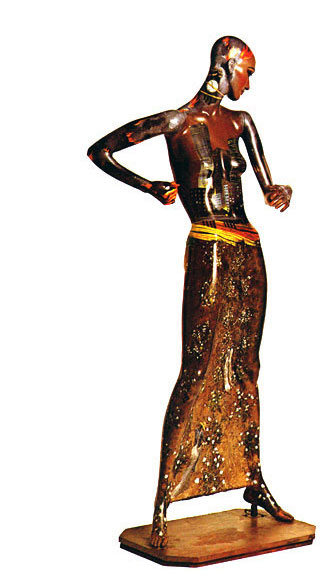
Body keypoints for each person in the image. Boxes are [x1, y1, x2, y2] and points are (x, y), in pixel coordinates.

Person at [88, 36, 294, 549]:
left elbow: (267, 184)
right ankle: (164, 499)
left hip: (249, 247)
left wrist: (279, 191)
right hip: (210, 245)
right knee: (198, 366)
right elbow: (100, 151)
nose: (249, 83)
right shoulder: (177, 122)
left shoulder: (241, 123)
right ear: (226, 65)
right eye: (247, 72)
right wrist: (150, 186)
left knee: (247, 366)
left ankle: (251, 477)